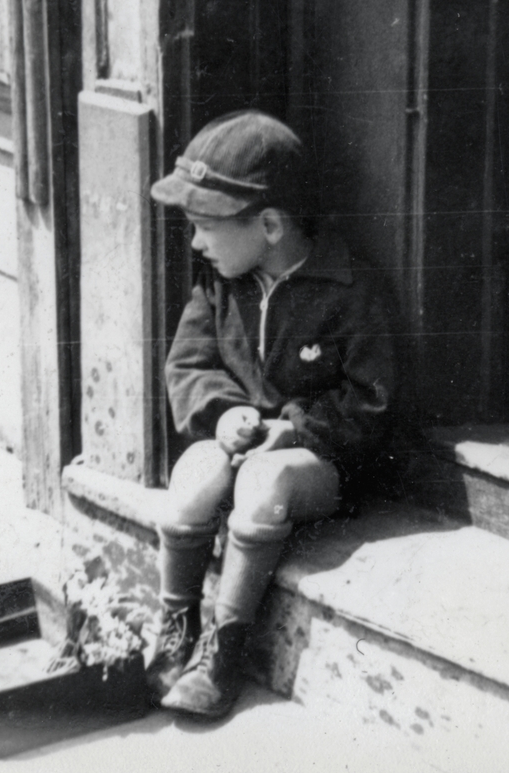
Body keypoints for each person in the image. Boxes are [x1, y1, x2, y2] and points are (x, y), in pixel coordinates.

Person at [144, 109, 397, 720]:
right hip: (241, 448)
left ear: (270, 224)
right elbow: (188, 365)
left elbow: (373, 402)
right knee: (196, 471)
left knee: (266, 478)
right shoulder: (220, 284)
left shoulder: (350, 289)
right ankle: (175, 626)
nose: (197, 243)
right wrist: (225, 414)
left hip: (319, 467)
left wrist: (298, 428)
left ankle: (225, 650)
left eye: (205, 227)